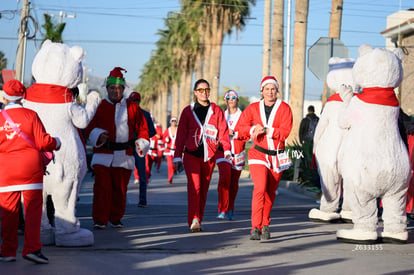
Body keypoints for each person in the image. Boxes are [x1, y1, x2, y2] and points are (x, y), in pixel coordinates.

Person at [0, 80, 61, 264]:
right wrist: (56, 142)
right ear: (22, 97)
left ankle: (8, 251)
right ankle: (32, 249)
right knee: (33, 211)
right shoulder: (31, 115)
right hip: (30, 169)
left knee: (8, 213)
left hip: (6, 170)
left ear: (4, 97)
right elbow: (43, 142)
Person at [84, 67, 149, 229]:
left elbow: (143, 128)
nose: (115, 91)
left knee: (120, 190)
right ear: (107, 88)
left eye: (119, 88)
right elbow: (88, 127)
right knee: (102, 189)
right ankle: (100, 219)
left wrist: (141, 142)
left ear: (123, 89)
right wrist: (98, 135)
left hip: (124, 155)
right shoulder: (99, 106)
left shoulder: (133, 107)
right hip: (103, 154)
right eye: (112, 88)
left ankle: (116, 217)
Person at [236, 76, 293, 240]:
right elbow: (241, 128)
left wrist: (267, 130)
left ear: (277, 90)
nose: (270, 92)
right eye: (267, 89)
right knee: (260, 189)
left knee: (270, 192)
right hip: (258, 154)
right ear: (261, 91)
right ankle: (255, 227)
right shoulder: (253, 108)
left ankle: (265, 224)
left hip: (276, 156)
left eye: (273, 89)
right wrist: (253, 128)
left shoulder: (285, 108)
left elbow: (285, 132)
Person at [173, 79, 231, 232]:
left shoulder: (216, 110)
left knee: (204, 188)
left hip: (209, 157)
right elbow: (180, 135)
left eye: (207, 90)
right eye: (201, 90)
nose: (204, 93)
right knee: (195, 187)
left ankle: (199, 217)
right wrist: (177, 155)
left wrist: (227, 150)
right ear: (195, 92)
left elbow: (223, 132)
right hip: (191, 155)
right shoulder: (188, 111)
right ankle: (194, 218)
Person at [216, 90, 248, 220]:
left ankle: (230, 207)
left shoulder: (244, 116)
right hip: (223, 151)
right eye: (228, 97)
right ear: (225, 101)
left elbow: (247, 133)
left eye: (233, 97)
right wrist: (223, 135)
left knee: (234, 183)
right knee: (224, 179)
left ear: (237, 100)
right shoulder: (220, 116)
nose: (231, 99)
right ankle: (222, 208)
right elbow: (215, 133)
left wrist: (234, 133)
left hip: (238, 152)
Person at [128, 92, 156, 208]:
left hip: (139, 147)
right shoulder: (125, 113)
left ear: (139, 102)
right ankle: (119, 201)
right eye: (132, 100)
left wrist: (143, 137)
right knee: (122, 174)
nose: (134, 103)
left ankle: (143, 200)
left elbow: (153, 131)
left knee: (142, 175)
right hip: (127, 146)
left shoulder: (145, 114)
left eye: (135, 101)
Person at [163, 116, 178, 184]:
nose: (173, 122)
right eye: (172, 121)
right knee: (170, 165)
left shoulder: (178, 129)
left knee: (175, 164)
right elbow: (163, 138)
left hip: (176, 151)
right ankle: (170, 178)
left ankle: (175, 169)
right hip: (168, 151)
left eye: (175, 121)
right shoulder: (168, 130)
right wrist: (166, 140)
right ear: (170, 122)